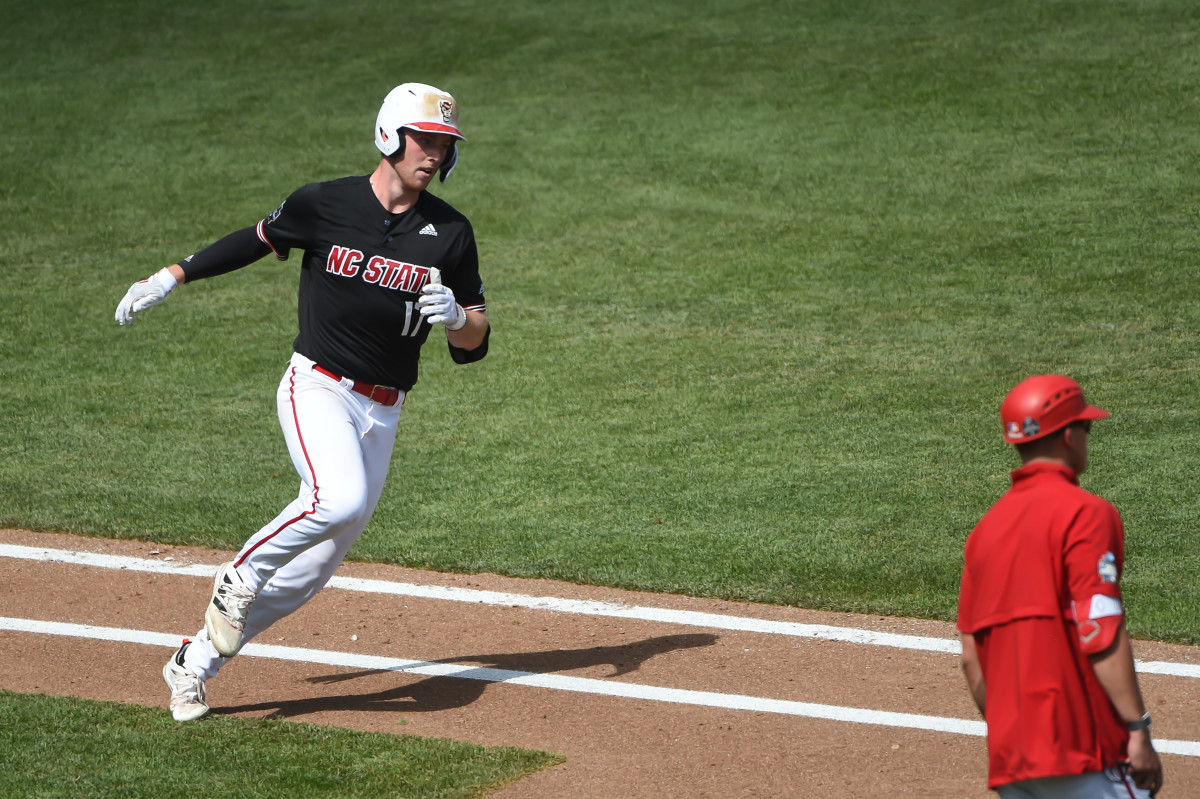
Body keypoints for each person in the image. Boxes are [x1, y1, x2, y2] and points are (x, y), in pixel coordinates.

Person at [115, 82, 490, 722]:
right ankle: (238, 573)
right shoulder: (326, 203)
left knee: (311, 570)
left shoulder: (450, 232)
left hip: (384, 412)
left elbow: (474, 343)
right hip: (317, 385)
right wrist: (170, 276)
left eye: (444, 146)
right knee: (333, 499)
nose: (434, 155)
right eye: (425, 140)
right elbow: (256, 239)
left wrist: (456, 316)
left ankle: (192, 664)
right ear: (390, 137)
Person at [957, 375, 1163, 798]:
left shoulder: (984, 533)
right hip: (1086, 752)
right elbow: (1098, 628)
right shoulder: (1086, 514)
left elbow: (971, 658)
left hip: (1013, 761)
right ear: (1069, 435)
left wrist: (1013, 735)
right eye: (1087, 427)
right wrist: (1137, 728)